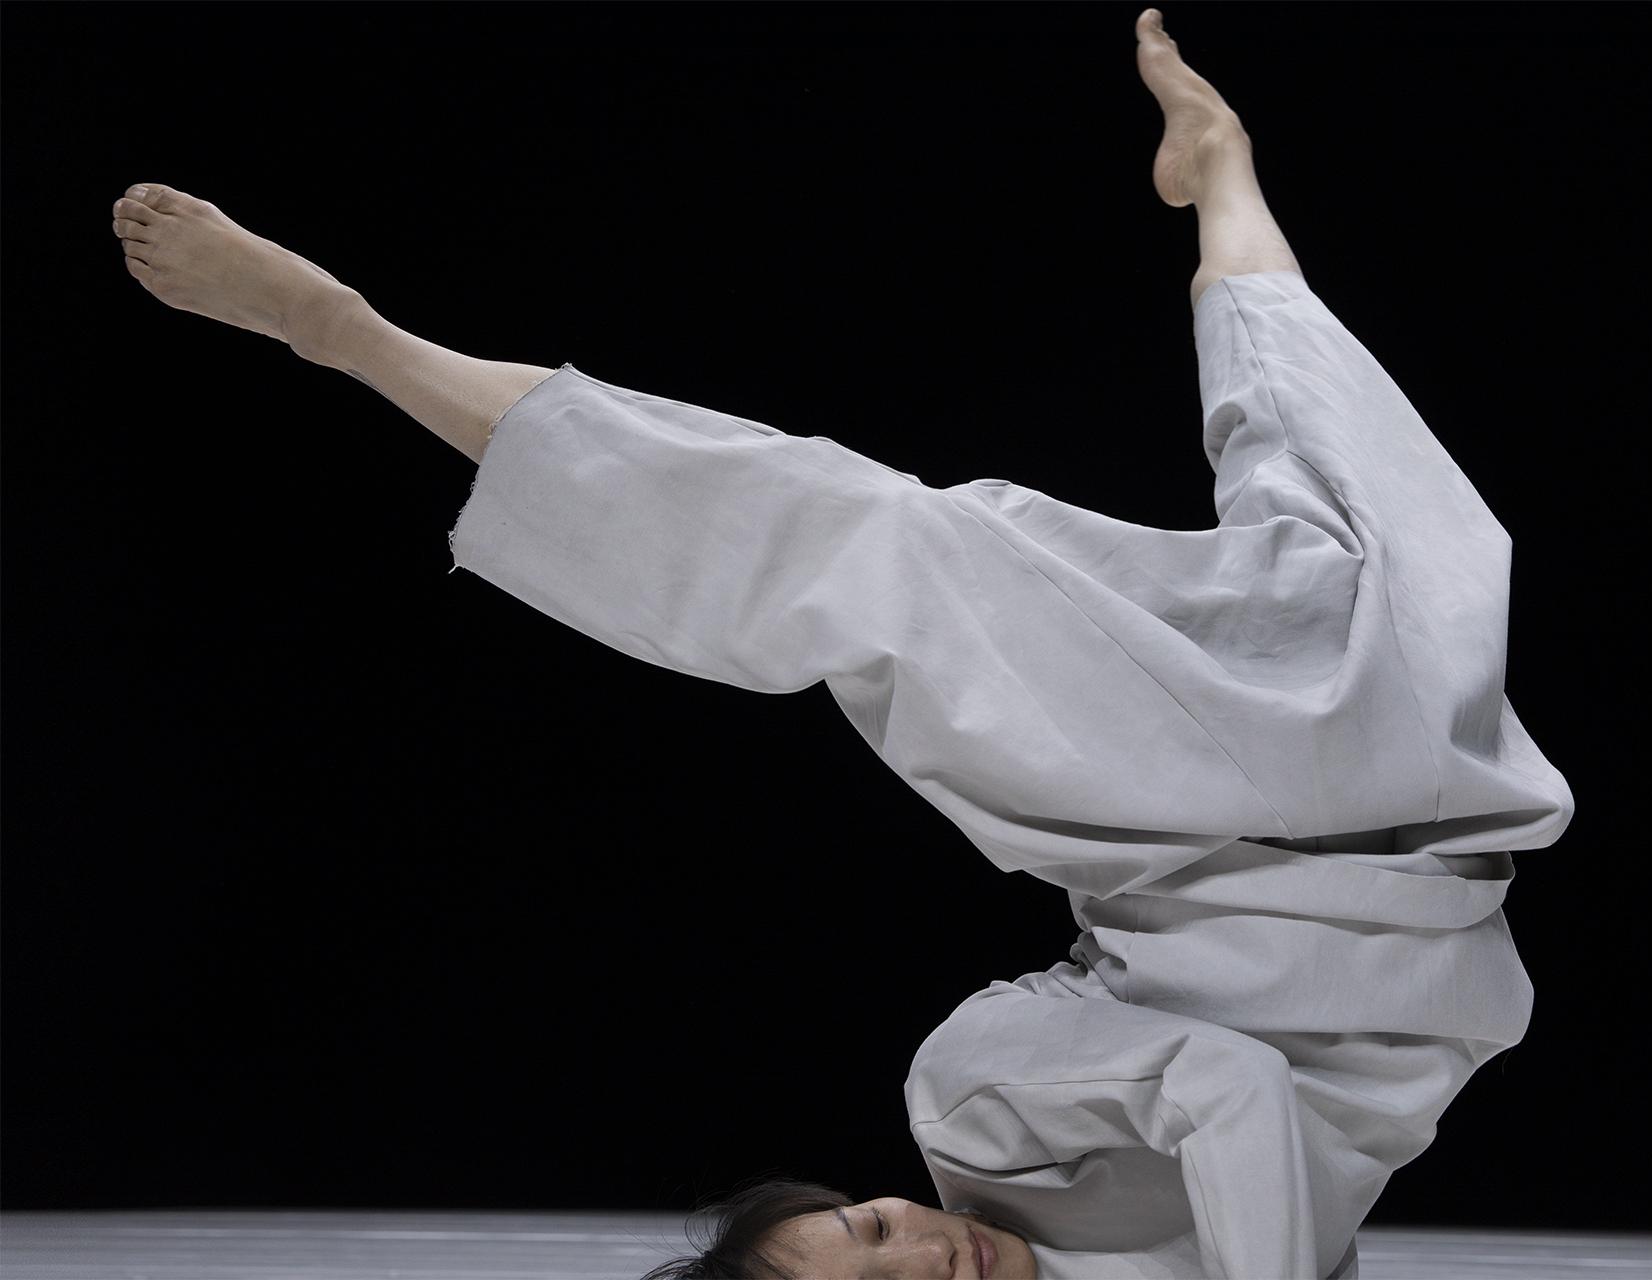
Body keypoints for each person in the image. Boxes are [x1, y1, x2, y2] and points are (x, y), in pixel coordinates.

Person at [109, 8, 1573, 1278]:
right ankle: (1226, 181)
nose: (928, 1253)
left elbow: (1238, 1084)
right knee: (1353, 508)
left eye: (869, 1232)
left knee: (892, 549)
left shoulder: (972, 1109)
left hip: (1206, 836)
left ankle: (355, 338)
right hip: (1429, 833)